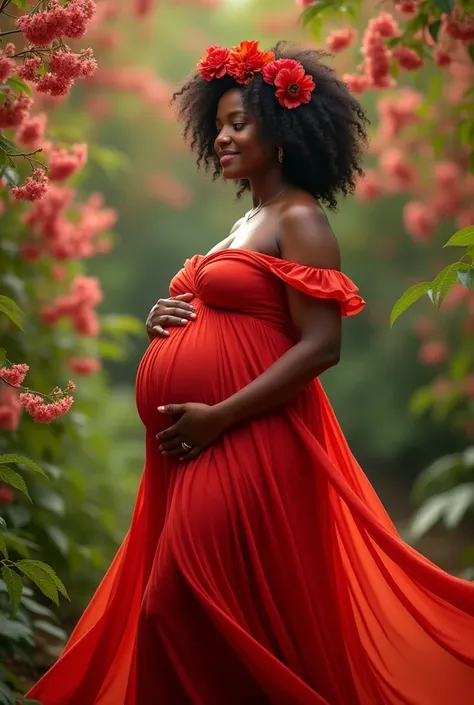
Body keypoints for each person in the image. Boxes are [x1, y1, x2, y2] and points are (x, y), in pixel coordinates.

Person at [27, 40, 474, 705]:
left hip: (246, 437)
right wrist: (166, 315)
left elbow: (322, 346)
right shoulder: (246, 220)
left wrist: (220, 413)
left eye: (240, 123)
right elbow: (235, 309)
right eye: (220, 125)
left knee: (171, 603)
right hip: (199, 442)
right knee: (215, 612)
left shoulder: (301, 217)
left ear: (283, 131)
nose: (224, 135)